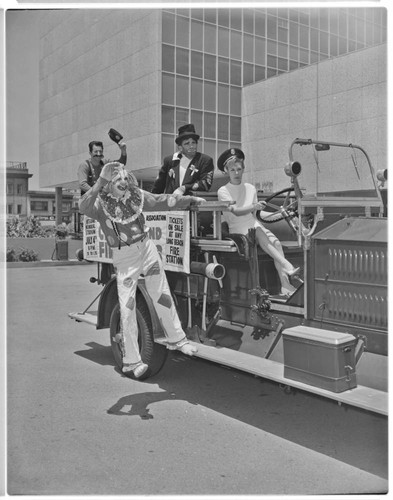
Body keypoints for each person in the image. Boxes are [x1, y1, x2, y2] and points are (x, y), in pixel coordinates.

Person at [79, 161, 205, 378]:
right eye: (116, 179)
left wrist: (190, 199)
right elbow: (83, 206)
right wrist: (100, 179)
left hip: (147, 248)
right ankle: (131, 361)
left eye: (124, 178)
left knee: (161, 292)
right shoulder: (100, 205)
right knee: (127, 306)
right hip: (125, 257)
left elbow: (161, 200)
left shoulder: (135, 196)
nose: (122, 182)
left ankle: (178, 339)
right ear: (108, 184)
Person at [217, 148, 300, 297]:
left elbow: (256, 213)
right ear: (226, 171)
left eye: (239, 169)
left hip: (253, 223)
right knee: (260, 233)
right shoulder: (223, 191)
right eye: (232, 170)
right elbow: (235, 211)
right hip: (237, 229)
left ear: (243, 170)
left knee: (276, 243)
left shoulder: (250, 188)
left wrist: (283, 214)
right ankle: (287, 265)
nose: (236, 173)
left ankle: (285, 285)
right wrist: (254, 206)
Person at [152, 124, 214, 199]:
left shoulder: (205, 160)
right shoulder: (169, 161)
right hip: (171, 206)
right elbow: (159, 186)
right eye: (187, 143)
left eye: (193, 142)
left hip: (193, 206)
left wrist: (184, 188)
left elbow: (206, 183)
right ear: (180, 147)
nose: (191, 146)